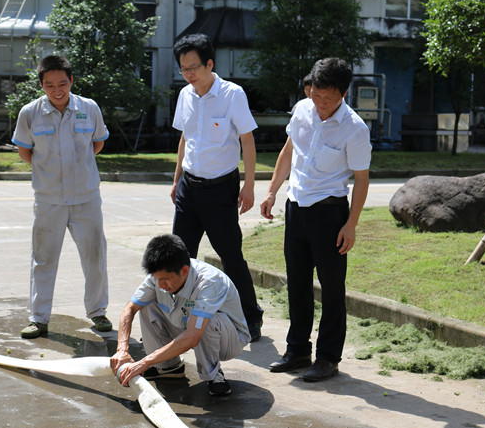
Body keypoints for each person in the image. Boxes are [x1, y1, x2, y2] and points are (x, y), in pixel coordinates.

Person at [260, 58, 371, 382]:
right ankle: (297, 350)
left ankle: (328, 358)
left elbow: (362, 179)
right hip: (297, 207)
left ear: (344, 93)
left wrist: (351, 224)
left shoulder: (354, 128)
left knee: (332, 288)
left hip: (329, 213)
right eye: (316, 95)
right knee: (297, 283)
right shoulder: (301, 110)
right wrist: (271, 192)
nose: (320, 103)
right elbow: (288, 151)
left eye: (328, 98)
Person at [170, 33, 264, 341]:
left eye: (194, 67)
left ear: (210, 64)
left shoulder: (232, 94)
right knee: (179, 257)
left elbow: (247, 140)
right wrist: (176, 179)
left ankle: (250, 317)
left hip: (220, 189)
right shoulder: (185, 95)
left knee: (230, 256)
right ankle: (176, 318)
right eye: (184, 69)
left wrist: (249, 185)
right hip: (188, 188)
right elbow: (184, 138)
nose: (189, 74)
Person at [12, 55, 112, 339]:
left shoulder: (89, 108)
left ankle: (98, 311)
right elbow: (25, 152)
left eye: (62, 84)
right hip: (48, 200)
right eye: (50, 85)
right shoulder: (30, 113)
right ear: (41, 85)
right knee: (43, 259)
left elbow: (97, 143)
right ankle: (38, 318)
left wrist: (78, 168)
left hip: (86, 198)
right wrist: (50, 173)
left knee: (95, 256)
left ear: (71, 81)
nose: (57, 90)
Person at [110, 234, 250, 396]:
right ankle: (168, 367)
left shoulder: (210, 282)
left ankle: (213, 374)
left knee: (206, 320)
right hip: (186, 325)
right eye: (157, 279)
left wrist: (144, 362)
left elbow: (193, 336)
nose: (161, 285)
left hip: (228, 340)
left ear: (184, 271)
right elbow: (130, 309)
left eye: (165, 280)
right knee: (146, 304)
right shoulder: (159, 276)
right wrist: (122, 349)